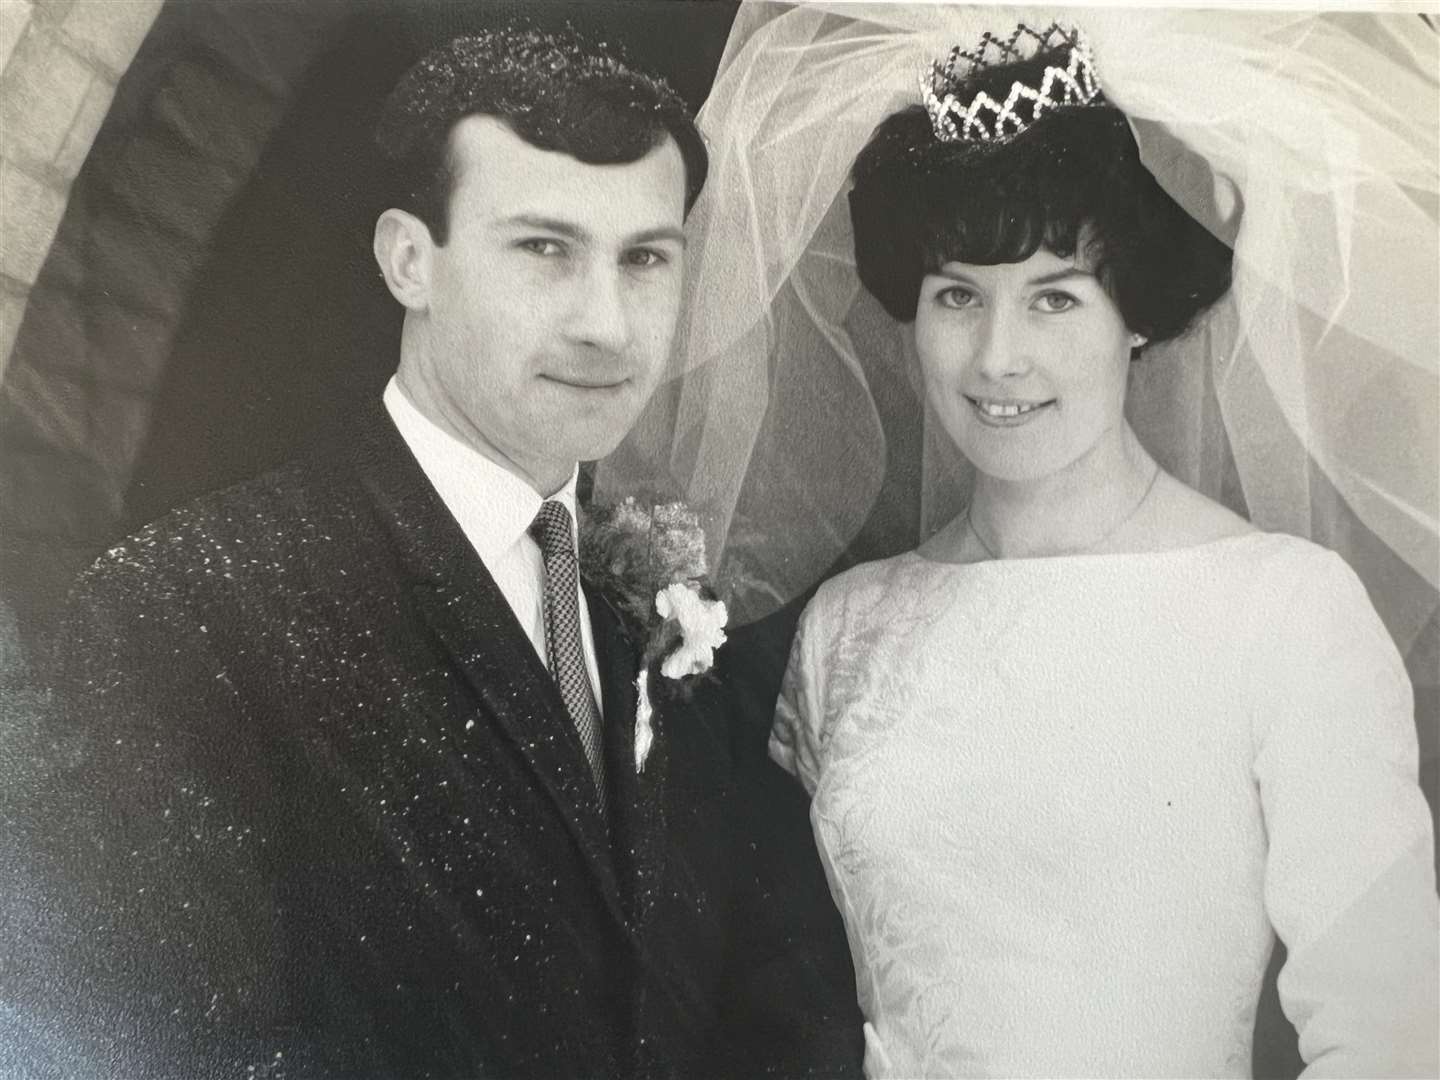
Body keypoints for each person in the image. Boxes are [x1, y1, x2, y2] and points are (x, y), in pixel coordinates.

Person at [0, 25, 860, 1079]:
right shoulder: (185, 620)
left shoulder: (671, 627)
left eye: (644, 260)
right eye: (544, 249)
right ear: (410, 259)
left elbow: (786, 1012)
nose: (606, 323)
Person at [599, 6, 1439, 1078]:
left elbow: (1390, 1038)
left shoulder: (1285, 612)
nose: (998, 357)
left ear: (1134, 313)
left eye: (1055, 298)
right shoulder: (847, 626)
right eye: (958, 296)